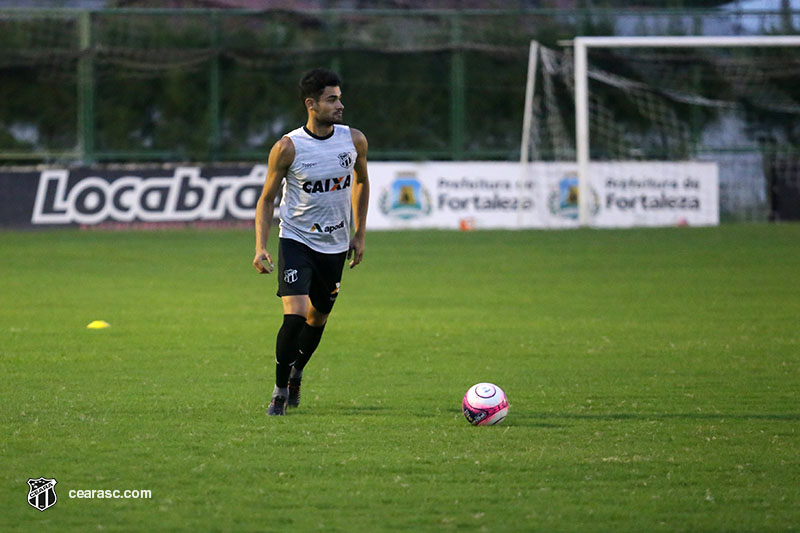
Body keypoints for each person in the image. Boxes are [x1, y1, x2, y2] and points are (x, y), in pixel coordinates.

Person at [252, 68, 370, 416]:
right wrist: (261, 245)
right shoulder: (288, 147)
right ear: (311, 104)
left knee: (317, 319)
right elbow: (267, 199)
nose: (340, 105)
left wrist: (359, 233)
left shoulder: (354, 140)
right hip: (297, 240)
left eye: (340, 97)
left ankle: (296, 375)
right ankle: (278, 392)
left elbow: (362, 181)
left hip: (334, 245)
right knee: (296, 314)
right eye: (332, 99)